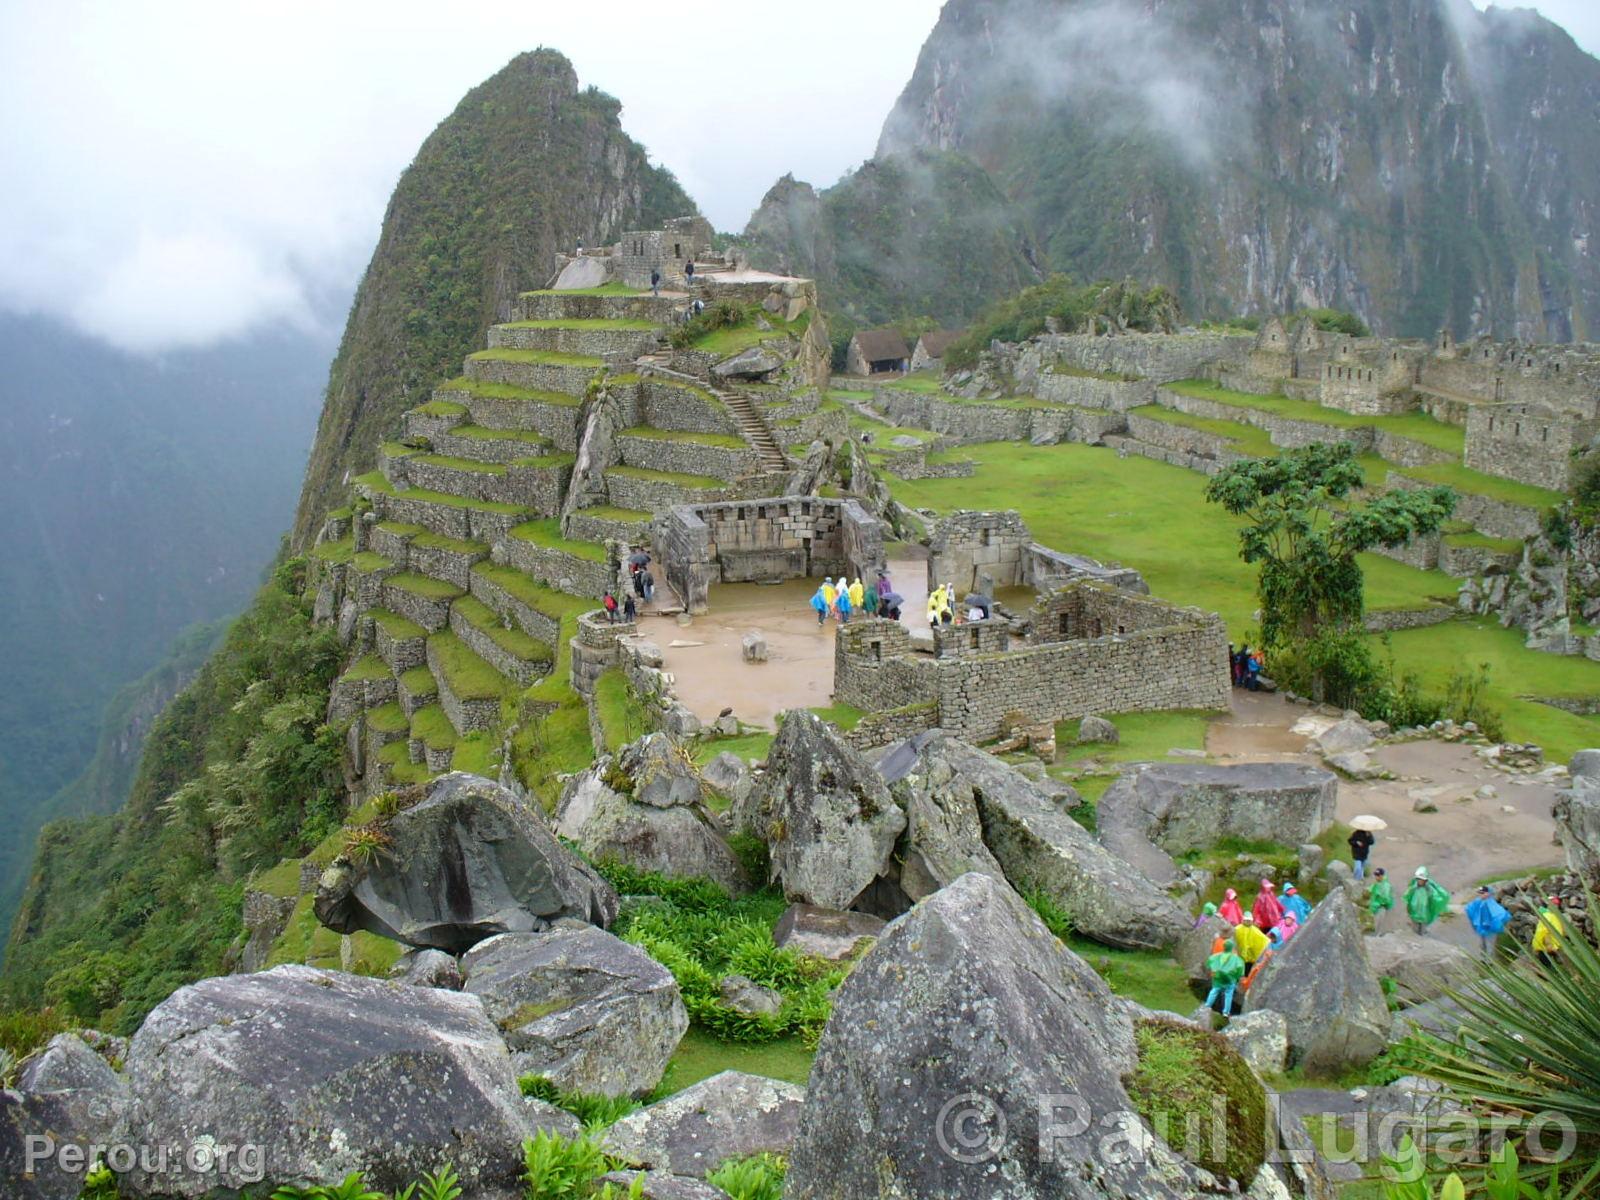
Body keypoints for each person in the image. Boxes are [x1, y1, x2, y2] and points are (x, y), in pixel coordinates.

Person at [1464, 884, 1511, 961]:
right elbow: (1470, 908)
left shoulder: (1492, 903)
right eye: (1480, 893)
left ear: (1488, 893)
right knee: (1483, 944)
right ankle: (1483, 959)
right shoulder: (1478, 902)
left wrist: (1495, 925)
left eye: (1483, 893)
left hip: (1491, 929)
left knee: (1490, 945)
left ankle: (1490, 962)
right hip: (1482, 928)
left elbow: (1501, 914)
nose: (1481, 895)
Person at [1204, 938, 1247, 1016]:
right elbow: (1240, 970)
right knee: (1228, 995)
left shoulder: (1218, 956)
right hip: (1229, 979)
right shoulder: (1236, 958)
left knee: (1214, 991)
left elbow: (1209, 963)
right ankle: (1226, 1012)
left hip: (1219, 978)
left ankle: (1207, 1006)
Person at [1405, 866, 1450, 935]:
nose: (1419, 881)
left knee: (1422, 932)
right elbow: (1408, 898)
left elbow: (1436, 899)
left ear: (1425, 880)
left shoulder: (1429, 889)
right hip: (1415, 914)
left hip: (1424, 915)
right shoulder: (1413, 888)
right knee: (1414, 932)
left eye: (1421, 880)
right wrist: (1408, 908)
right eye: (1418, 879)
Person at [1532, 895, 1567, 969]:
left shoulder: (1552, 915)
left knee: (1554, 965)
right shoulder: (1548, 916)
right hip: (1548, 946)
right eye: (1554, 904)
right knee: (1548, 966)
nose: (1556, 906)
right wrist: (1548, 944)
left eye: (1557, 904)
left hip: (1553, 945)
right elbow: (1544, 931)